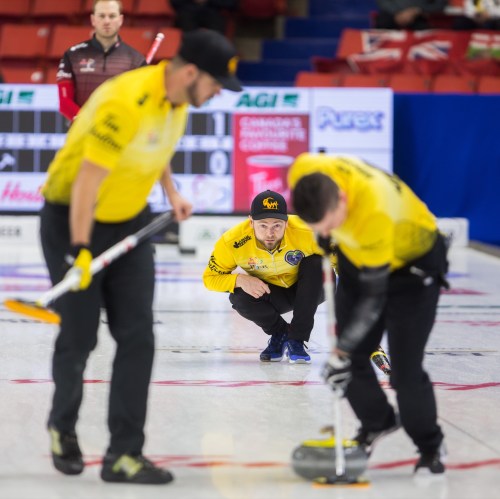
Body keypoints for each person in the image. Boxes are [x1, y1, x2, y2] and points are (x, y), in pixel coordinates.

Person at [40, 29, 242, 484]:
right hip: (74, 217)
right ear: (191, 72)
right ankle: (62, 428)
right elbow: (86, 184)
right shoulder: (123, 100)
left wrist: (171, 192)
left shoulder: (179, 101)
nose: (215, 96)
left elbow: (157, 148)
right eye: (214, 85)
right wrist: (79, 252)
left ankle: (124, 455)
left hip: (129, 218)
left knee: (138, 337)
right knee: (81, 336)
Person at [289, 153, 449, 474]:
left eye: (331, 225)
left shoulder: (374, 210)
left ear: (343, 199)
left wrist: (341, 349)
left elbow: (374, 299)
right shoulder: (304, 170)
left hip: (412, 269)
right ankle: (377, 422)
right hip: (356, 255)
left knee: (404, 372)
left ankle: (430, 444)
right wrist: (326, 235)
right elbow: (330, 224)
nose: (327, 231)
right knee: (349, 362)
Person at [203, 190, 327, 364]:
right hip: (272, 293)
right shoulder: (232, 242)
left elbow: (344, 267)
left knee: (318, 263)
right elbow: (209, 278)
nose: (270, 233)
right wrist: (239, 279)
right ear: (251, 222)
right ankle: (281, 333)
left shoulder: (310, 231)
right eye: (263, 225)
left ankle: (297, 340)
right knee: (239, 296)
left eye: (277, 225)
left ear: (287, 221)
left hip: (310, 288)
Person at [56, 0, 147, 122]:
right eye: (102, 16)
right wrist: (89, 124)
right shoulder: (72, 55)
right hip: (82, 136)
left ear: (120, 20)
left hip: (118, 137)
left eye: (112, 16)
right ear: (93, 19)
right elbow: (65, 103)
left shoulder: (136, 60)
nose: (107, 21)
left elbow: (142, 104)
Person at [171, 0, 239, 35]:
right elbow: (173, 2)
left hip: (213, 11)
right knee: (185, 19)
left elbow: (232, 4)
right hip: (187, 11)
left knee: (216, 26)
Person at [375, 0, 447, 30]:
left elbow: (440, 4)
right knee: (383, 22)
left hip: (421, 16)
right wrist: (397, 12)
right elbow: (383, 1)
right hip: (392, 14)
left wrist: (417, 10)